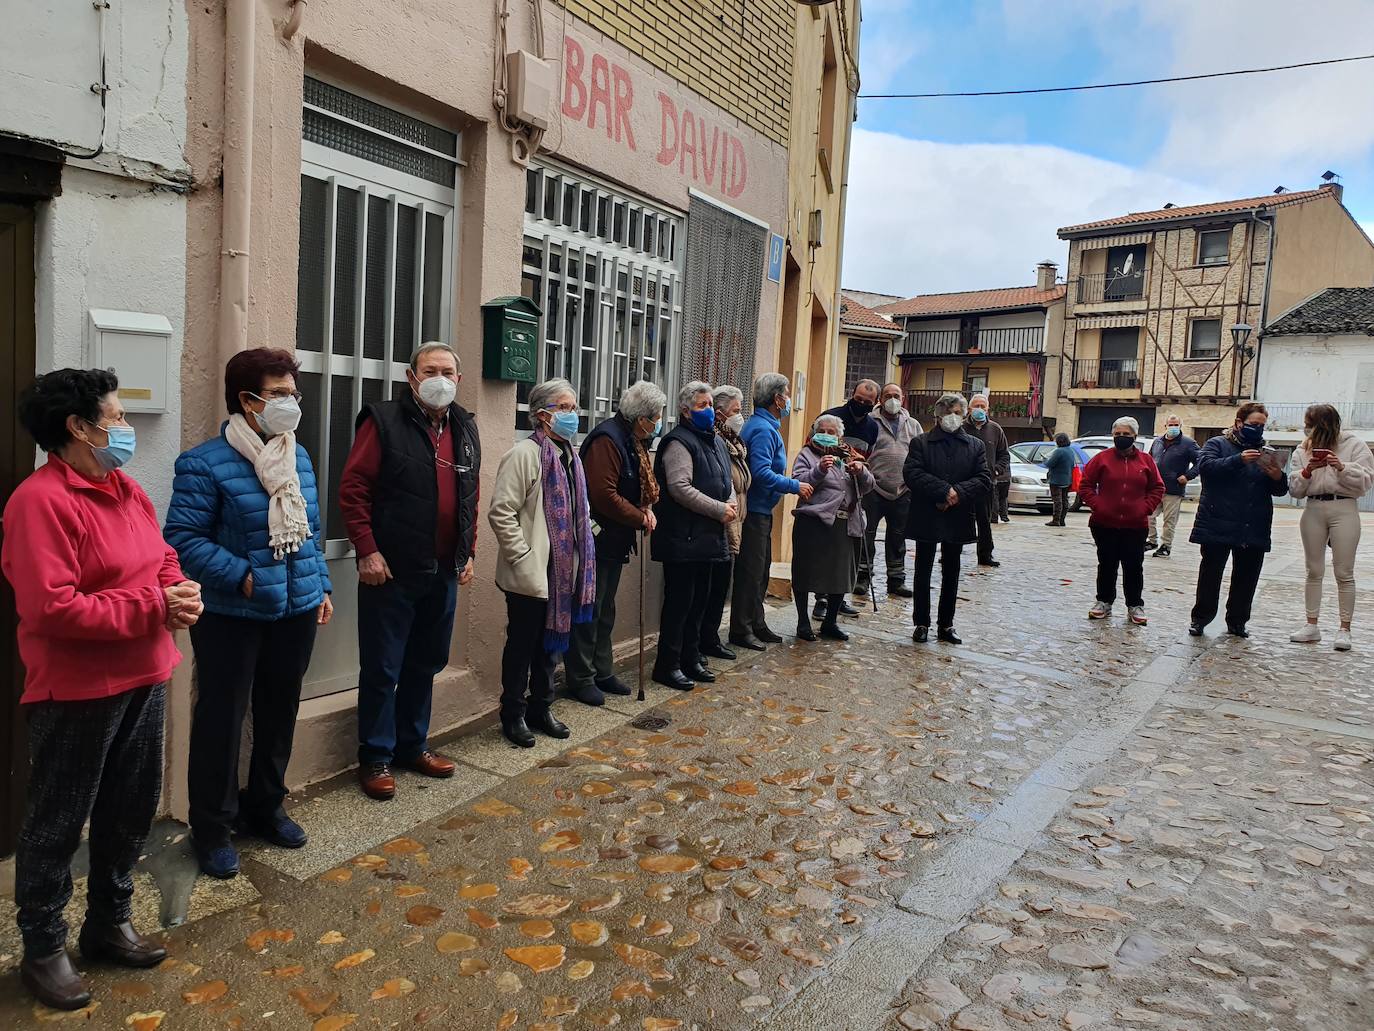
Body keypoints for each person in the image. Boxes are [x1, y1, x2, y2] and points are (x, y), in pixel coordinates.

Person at [1, 369, 203, 1010]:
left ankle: (109, 922)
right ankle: (43, 947)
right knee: (57, 824)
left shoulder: (123, 487)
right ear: (78, 427)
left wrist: (180, 589)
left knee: (129, 810)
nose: (124, 427)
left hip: (146, 672)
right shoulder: (39, 502)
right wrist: (154, 605)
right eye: (115, 416)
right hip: (78, 688)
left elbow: (162, 554)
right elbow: (53, 608)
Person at [164, 348, 332, 881]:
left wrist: (322, 585)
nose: (290, 403)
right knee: (222, 719)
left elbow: (309, 533)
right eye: (279, 394)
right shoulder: (204, 462)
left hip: (296, 609)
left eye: (292, 393)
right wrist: (242, 574)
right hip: (234, 613)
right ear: (247, 400)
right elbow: (182, 540)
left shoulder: (296, 456)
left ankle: (267, 806)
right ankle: (211, 828)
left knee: (279, 713)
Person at [338, 342, 480, 799]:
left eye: (448, 371)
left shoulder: (465, 425)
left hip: (442, 567)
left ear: (458, 379)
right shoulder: (382, 421)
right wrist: (367, 549)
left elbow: (469, 497)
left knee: (426, 661)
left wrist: (467, 551)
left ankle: (412, 745)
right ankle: (376, 756)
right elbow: (354, 489)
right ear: (411, 377)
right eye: (430, 370)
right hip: (391, 569)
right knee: (383, 666)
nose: (440, 378)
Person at [489, 378, 594, 745]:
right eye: (564, 408)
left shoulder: (572, 457)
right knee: (522, 646)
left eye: (573, 406)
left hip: (563, 572)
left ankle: (541, 706)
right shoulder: (525, 455)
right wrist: (523, 556)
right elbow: (502, 512)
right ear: (542, 415)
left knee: (550, 648)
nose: (572, 414)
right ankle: (513, 713)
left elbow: (577, 508)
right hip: (532, 572)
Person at [565, 381, 665, 706]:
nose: (658, 423)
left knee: (605, 608)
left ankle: (602, 669)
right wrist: (640, 516)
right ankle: (581, 677)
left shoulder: (632, 440)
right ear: (642, 419)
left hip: (614, 539)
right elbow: (603, 495)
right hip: (597, 536)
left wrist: (643, 508)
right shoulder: (608, 440)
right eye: (657, 417)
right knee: (589, 608)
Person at [651, 381, 736, 689]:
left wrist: (730, 503)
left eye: (711, 404)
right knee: (679, 605)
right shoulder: (678, 442)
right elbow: (679, 488)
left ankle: (691, 657)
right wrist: (718, 509)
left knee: (700, 602)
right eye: (702, 406)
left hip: (708, 538)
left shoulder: (713, 439)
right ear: (686, 411)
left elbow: (726, 482)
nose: (709, 410)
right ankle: (668, 664)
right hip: (683, 538)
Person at [1188, 402, 1288, 638]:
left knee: (1247, 577)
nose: (1258, 429)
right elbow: (1207, 468)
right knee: (1210, 575)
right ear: (1239, 423)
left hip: (1253, 524)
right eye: (1254, 424)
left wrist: (1277, 477)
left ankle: (1237, 621)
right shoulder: (1217, 444)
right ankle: (1200, 619)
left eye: (1262, 426)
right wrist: (1238, 460)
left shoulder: (1266, 452)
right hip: (1218, 520)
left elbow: (1280, 491)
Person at [730, 373, 813, 650]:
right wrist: (794, 485)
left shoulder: (766, 426)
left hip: (762, 509)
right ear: (778, 399)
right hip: (754, 510)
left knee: (761, 570)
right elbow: (761, 472)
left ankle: (757, 622)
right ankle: (742, 629)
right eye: (787, 394)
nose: (789, 400)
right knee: (751, 572)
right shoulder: (764, 430)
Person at [903, 393, 993, 644]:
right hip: (927, 513)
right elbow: (912, 473)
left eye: (956, 412)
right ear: (938, 415)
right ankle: (921, 622)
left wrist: (957, 494)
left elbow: (984, 478)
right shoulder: (921, 442)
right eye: (947, 412)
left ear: (963, 415)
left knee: (952, 572)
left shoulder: (975, 445)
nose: (951, 417)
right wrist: (943, 491)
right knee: (923, 570)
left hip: (958, 515)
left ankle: (946, 624)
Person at [1287, 403, 1374, 651]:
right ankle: (1311, 624)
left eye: (1310, 423)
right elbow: (1295, 490)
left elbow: (1366, 482)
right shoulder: (1303, 449)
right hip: (1314, 507)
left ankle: (1344, 628)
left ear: (1323, 424)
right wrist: (1306, 471)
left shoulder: (1354, 445)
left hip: (1344, 506)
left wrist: (1342, 467)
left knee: (1344, 571)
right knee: (1313, 570)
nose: (1307, 429)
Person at [791, 413, 876, 641]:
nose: (827, 436)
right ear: (815, 433)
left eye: (832, 432)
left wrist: (860, 470)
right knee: (806, 572)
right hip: (814, 522)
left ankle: (830, 623)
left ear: (840, 436)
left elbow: (868, 486)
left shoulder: (848, 456)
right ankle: (802, 622)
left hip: (845, 523)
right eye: (823, 431)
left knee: (840, 575)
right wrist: (819, 469)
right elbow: (799, 480)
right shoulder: (807, 454)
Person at [1078, 417, 1164, 626]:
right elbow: (1085, 485)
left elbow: (1157, 487)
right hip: (1104, 523)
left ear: (1134, 436)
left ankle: (1134, 604)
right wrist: (1098, 504)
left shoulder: (1146, 460)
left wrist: (1144, 508)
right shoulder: (1102, 459)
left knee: (1134, 565)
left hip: (1135, 525)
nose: (1121, 438)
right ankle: (1104, 601)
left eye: (1126, 435)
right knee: (1106, 563)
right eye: (1117, 435)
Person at [813, 379, 881, 617]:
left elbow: (867, 459)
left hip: (852, 494)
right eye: (858, 399)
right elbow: (812, 448)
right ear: (852, 394)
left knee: (846, 556)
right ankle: (820, 600)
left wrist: (859, 468)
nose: (860, 404)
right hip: (826, 492)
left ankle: (838, 598)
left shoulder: (873, 428)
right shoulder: (831, 417)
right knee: (824, 553)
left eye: (867, 402)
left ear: (875, 404)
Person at [698, 384, 752, 661]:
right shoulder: (715, 440)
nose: (740, 417)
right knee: (711, 589)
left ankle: (711, 638)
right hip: (719, 522)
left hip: (733, 520)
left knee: (721, 588)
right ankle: (704, 640)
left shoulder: (733, 442)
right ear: (720, 413)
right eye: (736, 411)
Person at [857, 383, 919, 598]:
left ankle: (896, 580)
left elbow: (920, 455)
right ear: (880, 400)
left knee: (898, 537)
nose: (892, 399)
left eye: (896, 396)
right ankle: (862, 578)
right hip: (872, 489)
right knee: (867, 534)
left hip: (902, 490)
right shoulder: (869, 422)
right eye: (888, 396)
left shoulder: (913, 425)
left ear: (902, 398)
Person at [965, 394, 1010, 565]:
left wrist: (996, 470)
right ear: (969, 409)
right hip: (964, 483)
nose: (980, 409)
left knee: (984, 521)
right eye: (976, 406)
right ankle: (950, 552)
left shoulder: (995, 429)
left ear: (987, 409)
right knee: (958, 520)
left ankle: (985, 555)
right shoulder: (961, 428)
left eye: (983, 406)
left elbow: (1004, 455)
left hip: (986, 483)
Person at [1147, 414, 1200, 557]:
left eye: (1176, 425)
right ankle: (1152, 540)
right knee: (1148, 516)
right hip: (1155, 487)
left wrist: (1187, 476)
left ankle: (1166, 546)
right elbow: (1149, 460)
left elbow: (1201, 462)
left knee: (1169, 520)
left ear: (1180, 426)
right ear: (1165, 426)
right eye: (1170, 425)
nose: (1173, 427)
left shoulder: (1188, 444)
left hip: (1174, 488)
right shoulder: (1157, 442)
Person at [1044, 432, 1076, 527]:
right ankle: (1062, 520)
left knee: (1057, 500)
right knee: (1064, 499)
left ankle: (1056, 520)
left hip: (1056, 479)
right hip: (1067, 479)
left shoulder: (1059, 451)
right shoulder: (1070, 450)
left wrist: (1045, 460)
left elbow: (1050, 463)